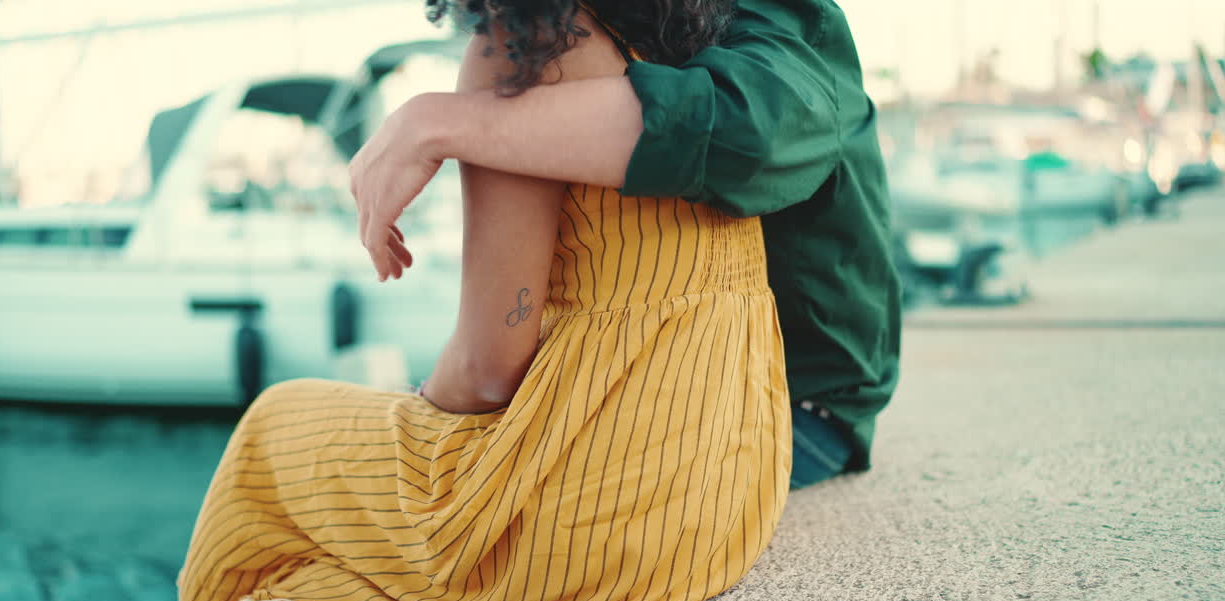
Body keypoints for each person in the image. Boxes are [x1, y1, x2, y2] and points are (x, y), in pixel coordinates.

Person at [176, 0, 790, 601]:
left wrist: (419, 403)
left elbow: (488, 369)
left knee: (270, 433)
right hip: (729, 493)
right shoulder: (694, 44)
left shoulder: (527, 50)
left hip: (607, 521)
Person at [352, 0, 901, 490]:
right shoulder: (648, 28)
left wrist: (437, 121)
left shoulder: (531, 48)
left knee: (276, 427)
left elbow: (755, 130)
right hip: (719, 424)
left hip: (789, 413)